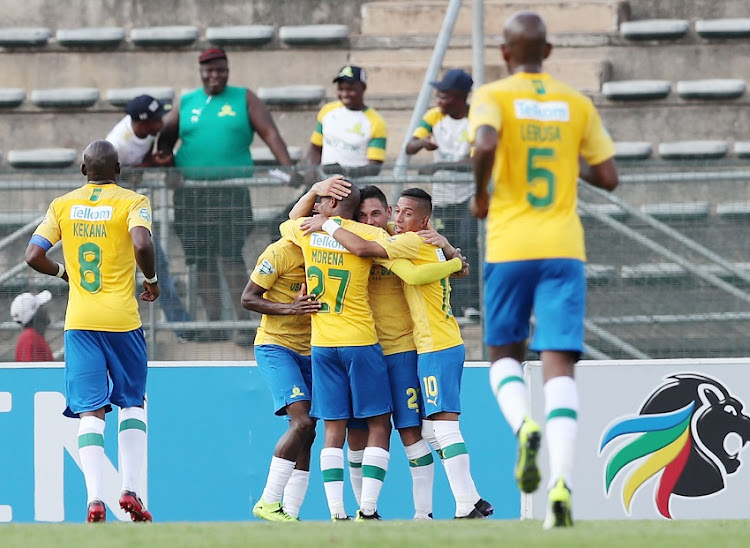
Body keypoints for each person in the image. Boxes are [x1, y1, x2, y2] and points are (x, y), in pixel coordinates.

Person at [469, 11, 619, 529]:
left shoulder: (493, 95)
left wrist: (480, 195)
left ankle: (522, 426)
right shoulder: (575, 103)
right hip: (563, 248)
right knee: (560, 366)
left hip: (511, 245)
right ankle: (562, 488)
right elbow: (608, 176)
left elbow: (486, 143)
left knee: (502, 354)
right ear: (549, 52)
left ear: (506, 53)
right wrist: (561, 155)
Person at [301, 188, 492, 519]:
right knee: (376, 432)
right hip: (365, 350)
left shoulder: (395, 240)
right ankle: (366, 512)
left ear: (387, 212)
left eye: (378, 214)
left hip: (408, 350)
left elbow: (434, 269)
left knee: (418, 431)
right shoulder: (364, 240)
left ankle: (435, 510)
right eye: (362, 216)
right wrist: (451, 255)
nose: (370, 220)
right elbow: (449, 267)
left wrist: (450, 253)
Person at [24, 140, 160, 523]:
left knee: (90, 410)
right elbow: (142, 242)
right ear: (118, 169)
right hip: (123, 321)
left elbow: (33, 255)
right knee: (133, 402)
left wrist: (63, 272)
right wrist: (151, 279)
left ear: (84, 171)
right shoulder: (133, 201)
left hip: (80, 321)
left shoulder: (62, 205)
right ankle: (130, 489)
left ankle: (94, 498)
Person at [157, 47, 297, 339]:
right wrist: (168, 167)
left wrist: (288, 168)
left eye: (220, 70)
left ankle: (243, 324)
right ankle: (216, 325)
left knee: (230, 255)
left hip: (230, 191)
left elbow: (270, 133)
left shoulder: (244, 98)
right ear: (201, 73)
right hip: (191, 195)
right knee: (201, 259)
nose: (214, 76)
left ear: (227, 71)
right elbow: (165, 138)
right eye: (209, 71)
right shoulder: (187, 102)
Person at [105, 95, 198, 342]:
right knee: (120, 272)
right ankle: (116, 329)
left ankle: (182, 327)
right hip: (114, 216)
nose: (162, 123)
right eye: (157, 119)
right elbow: (106, 179)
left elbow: (138, 169)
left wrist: (152, 164)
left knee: (158, 267)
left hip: (133, 212)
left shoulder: (145, 134)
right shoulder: (117, 143)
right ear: (143, 123)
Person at [241, 239, 321, 522]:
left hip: (313, 350)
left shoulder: (329, 250)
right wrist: (291, 308)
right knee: (302, 422)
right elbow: (248, 298)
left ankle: (291, 514)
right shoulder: (280, 252)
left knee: (308, 433)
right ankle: (268, 501)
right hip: (276, 346)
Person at [405, 68, 480, 319]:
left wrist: (439, 165)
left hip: (468, 195)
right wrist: (423, 143)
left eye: (445, 96)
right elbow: (410, 146)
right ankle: (453, 303)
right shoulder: (435, 116)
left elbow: (475, 162)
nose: (439, 101)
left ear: (460, 97)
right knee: (442, 249)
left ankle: (472, 304)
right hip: (442, 196)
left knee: (468, 244)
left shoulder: (476, 120)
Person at [303, 65, 387, 179]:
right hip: (326, 186)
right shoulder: (327, 111)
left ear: (363, 87)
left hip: (357, 190)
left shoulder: (376, 121)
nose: (344, 94)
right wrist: (310, 172)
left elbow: (375, 166)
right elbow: (315, 148)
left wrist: (345, 171)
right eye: (341, 89)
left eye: (350, 89)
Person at [11, 290, 54, 362]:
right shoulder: (30, 338)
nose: (46, 309)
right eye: (41, 306)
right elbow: (31, 371)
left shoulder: (32, 336)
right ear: (35, 313)